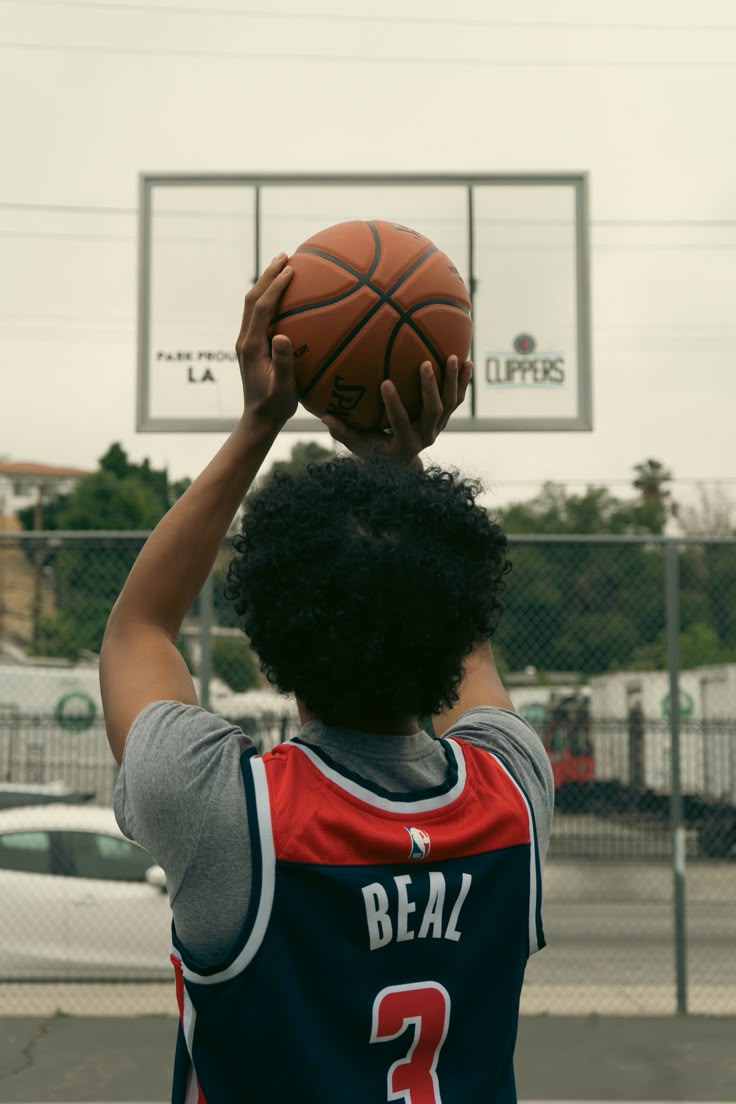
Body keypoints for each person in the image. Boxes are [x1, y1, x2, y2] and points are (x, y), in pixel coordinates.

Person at [101, 253, 554, 1103]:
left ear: (269, 639)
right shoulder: (512, 798)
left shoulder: (229, 816)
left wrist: (259, 424)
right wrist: (401, 468)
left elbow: (136, 627)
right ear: (456, 625)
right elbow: (472, 650)